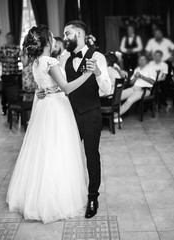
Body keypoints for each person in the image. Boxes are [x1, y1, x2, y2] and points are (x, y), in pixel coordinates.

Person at [6, 25, 95, 223]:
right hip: (57, 107)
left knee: (44, 150)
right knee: (59, 149)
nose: (56, 40)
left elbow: (42, 86)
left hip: (45, 106)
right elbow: (66, 88)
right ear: (47, 42)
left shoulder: (36, 62)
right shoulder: (51, 61)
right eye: (52, 38)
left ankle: (37, 196)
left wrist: (42, 91)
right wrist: (88, 75)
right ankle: (57, 199)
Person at [37, 20, 111, 219]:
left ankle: (93, 197)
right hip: (68, 114)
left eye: (67, 33)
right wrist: (44, 91)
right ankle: (66, 195)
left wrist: (96, 72)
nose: (64, 37)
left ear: (79, 33)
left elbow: (108, 89)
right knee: (66, 154)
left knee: (91, 156)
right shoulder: (63, 58)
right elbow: (58, 83)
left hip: (90, 113)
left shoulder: (98, 57)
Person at [117, 54, 158, 121]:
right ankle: (115, 113)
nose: (141, 61)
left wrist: (141, 76)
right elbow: (130, 83)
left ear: (146, 61)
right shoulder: (137, 69)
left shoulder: (151, 69)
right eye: (140, 59)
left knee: (129, 100)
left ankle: (116, 116)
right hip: (134, 88)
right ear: (138, 61)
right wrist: (135, 77)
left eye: (143, 59)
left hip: (144, 90)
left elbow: (153, 82)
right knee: (118, 96)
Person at [0, 32, 21, 115]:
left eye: (11, 38)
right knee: (5, 91)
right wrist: (8, 60)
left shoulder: (17, 47)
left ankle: (15, 108)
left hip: (14, 72)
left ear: (13, 38)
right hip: (5, 73)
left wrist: (16, 61)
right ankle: (4, 108)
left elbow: (21, 59)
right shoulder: (3, 47)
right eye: (8, 38)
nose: (10, 39)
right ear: (6, 38)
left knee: (15, 91)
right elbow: (0, 59)